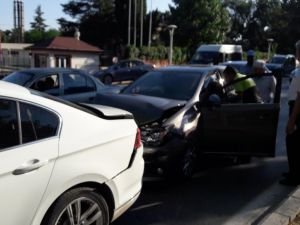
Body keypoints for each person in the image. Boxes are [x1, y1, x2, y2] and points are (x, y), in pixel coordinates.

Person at [280, 40, 300, 186]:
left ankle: (294, 176)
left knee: (292, 143)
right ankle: (293, 171)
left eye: (297, 51)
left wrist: (292, 120)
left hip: (297, 109)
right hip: (295, 107)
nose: (295, 54)